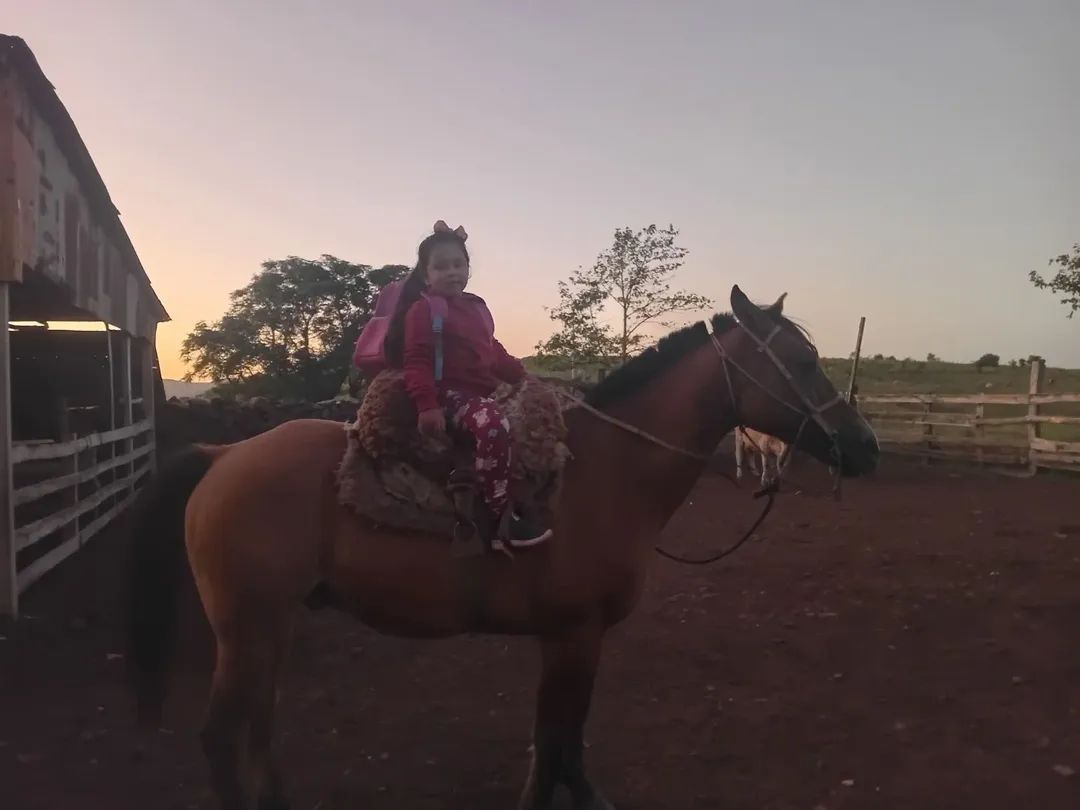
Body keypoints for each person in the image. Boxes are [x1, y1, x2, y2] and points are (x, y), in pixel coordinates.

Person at [384, 221, 552, 547]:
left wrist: (526, 378)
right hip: (448, 393)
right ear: (426, 274)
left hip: (482, 393)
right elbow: (416, 361)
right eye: (441, 266)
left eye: (458, 264)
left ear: (468, 268)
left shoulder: (477, 308)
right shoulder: (423, 310)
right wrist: (428, 406)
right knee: (493, 425)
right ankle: (499, 518)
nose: (451, 272)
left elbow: (494, 352)